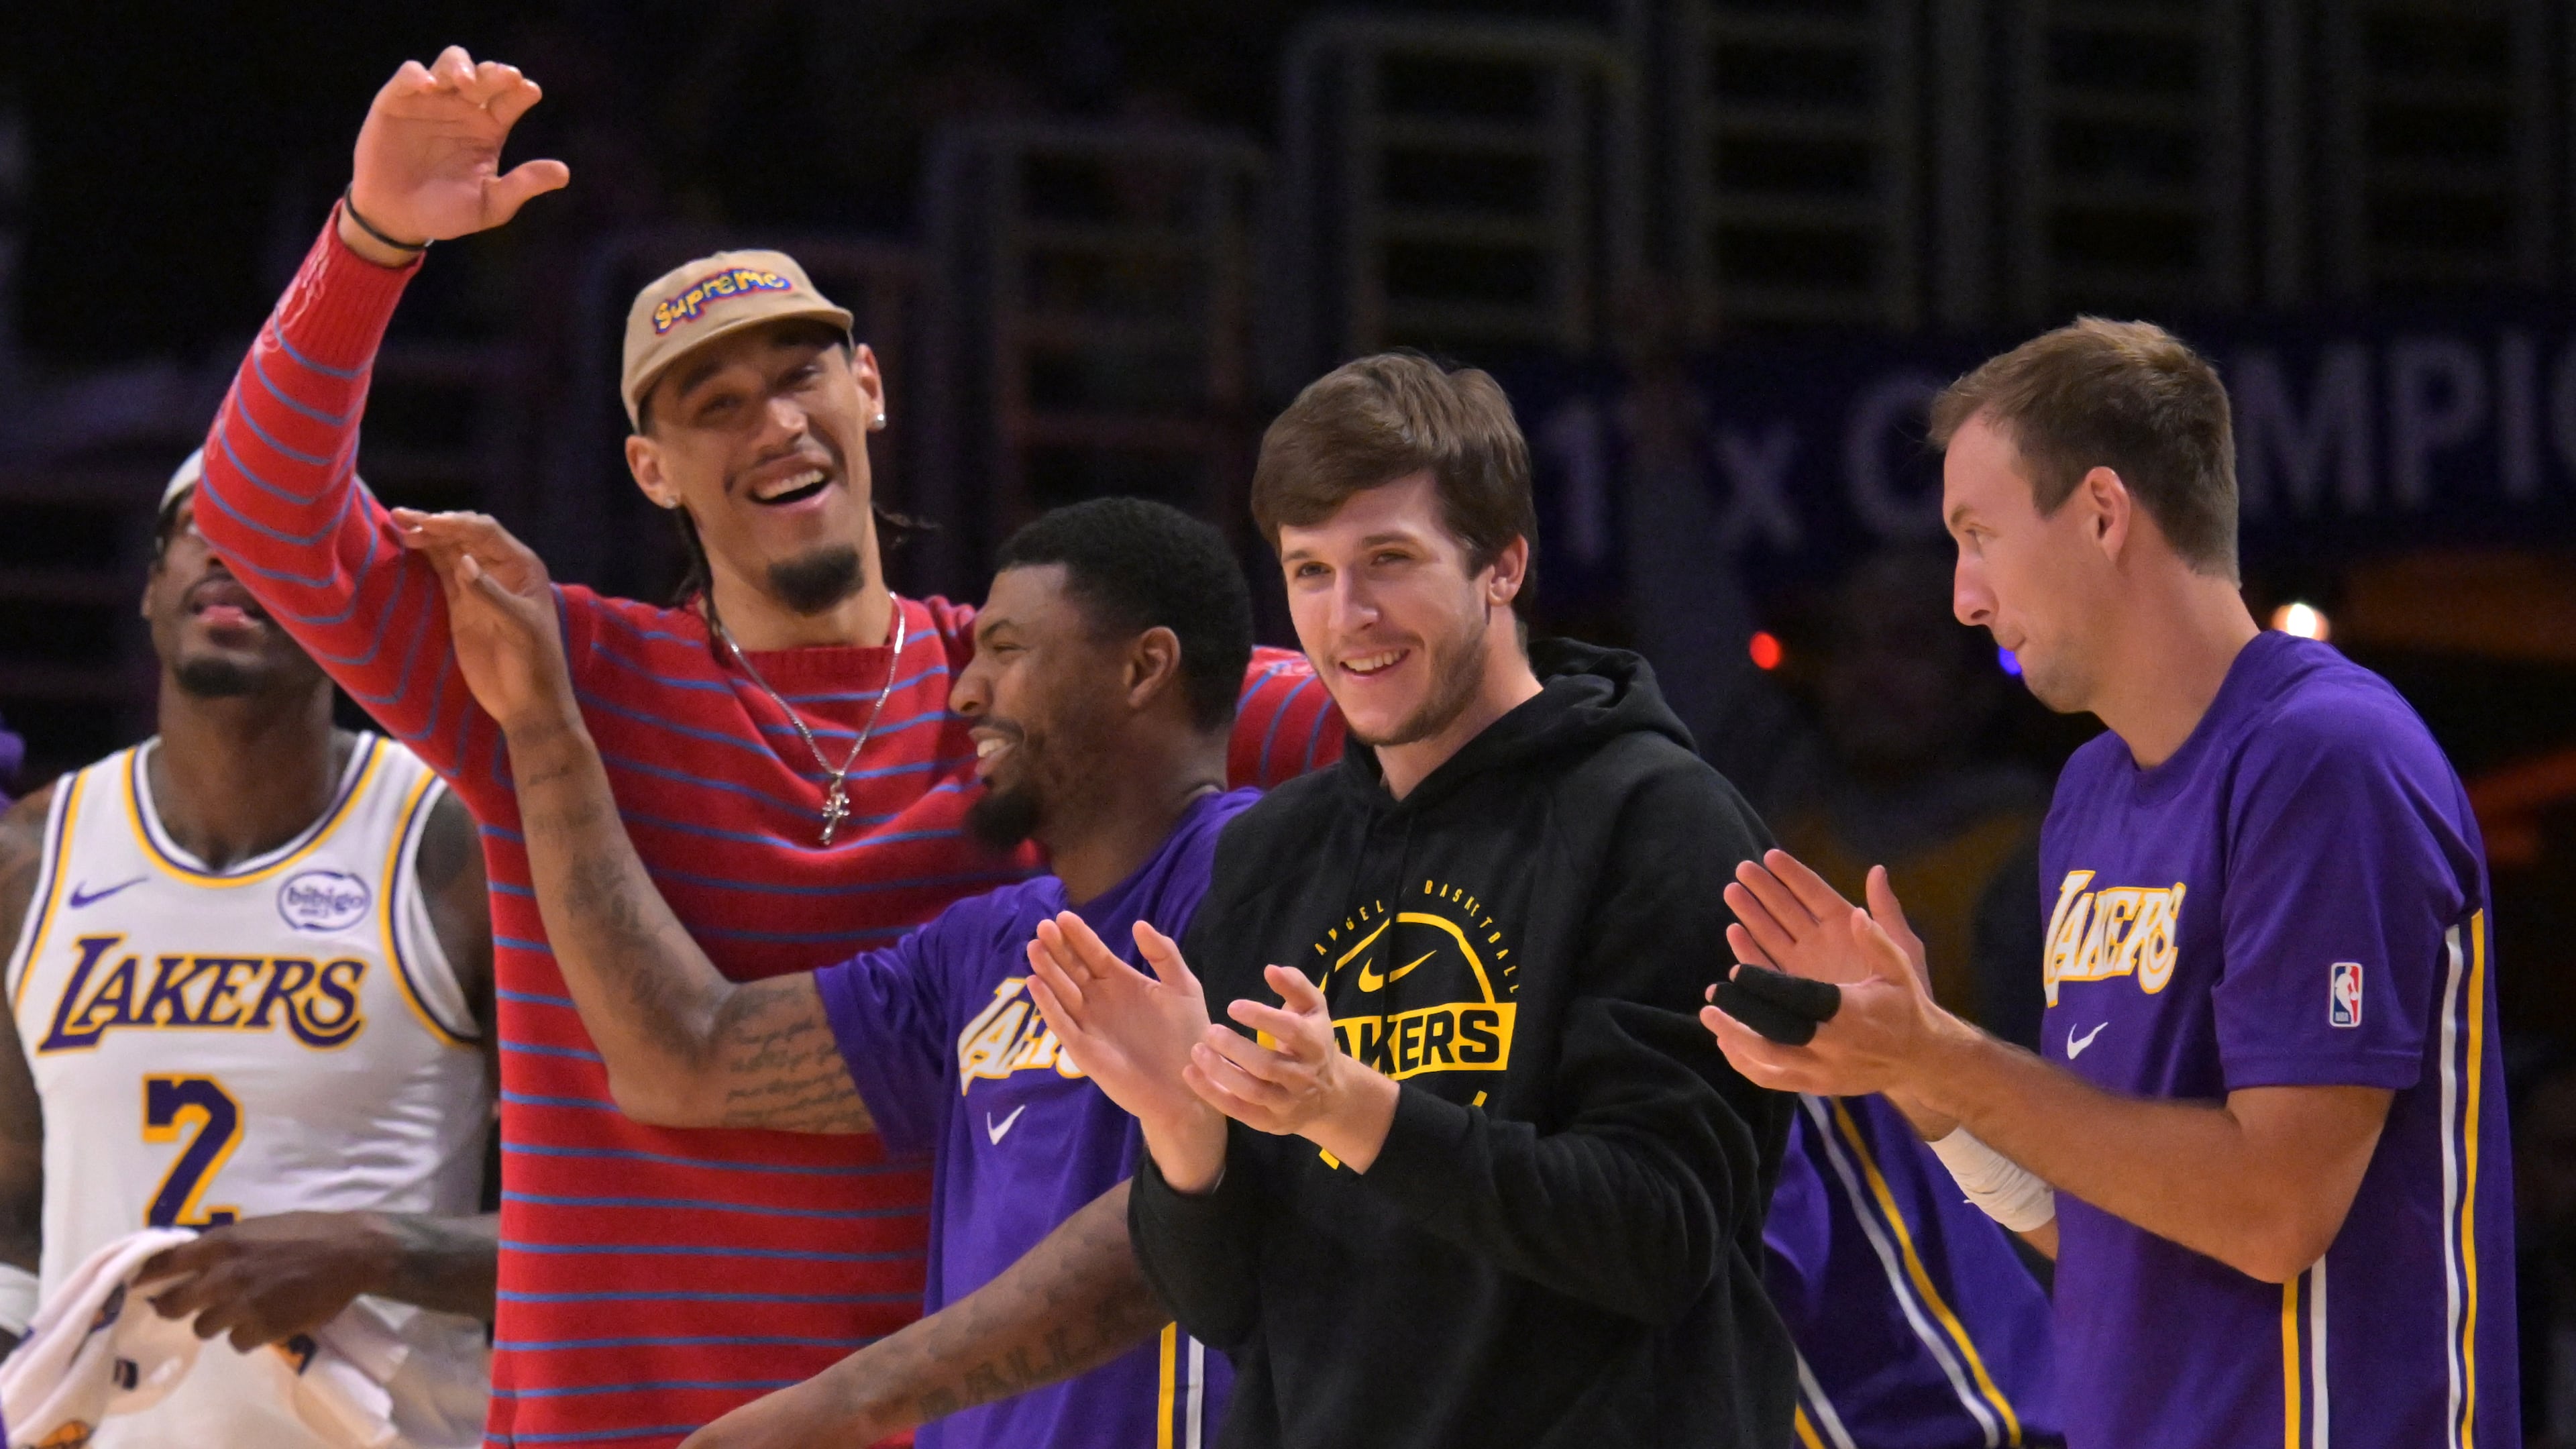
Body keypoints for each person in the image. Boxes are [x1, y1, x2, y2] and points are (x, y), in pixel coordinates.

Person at [189, 46, 1340, 1446]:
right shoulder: (548, 667)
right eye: (713, 405)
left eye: (801, 377)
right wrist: (373, 242)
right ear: (650, 469)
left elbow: (1396, 701)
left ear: (872, 389)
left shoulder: (1039, 698)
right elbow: (258, 513)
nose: (775, 423)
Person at [1702, 318, 2518, 1446]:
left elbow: (2275, 1211)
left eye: (1978, 536)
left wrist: (1941, 1055)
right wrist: (1917, 1078)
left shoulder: (2328, 759)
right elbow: (2097, 1228)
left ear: (2100, 513)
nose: (1965, 598)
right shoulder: (2087, 794)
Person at [1024, 353, 1792, 1446]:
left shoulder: (1661, 822)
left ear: (1503, 565)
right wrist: (1182, 1125)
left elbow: (1659, 1238)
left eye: (1389, 560)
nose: (1349, 617)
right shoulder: (1272, 853)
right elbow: (1225, 1308)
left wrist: (1348, 1107)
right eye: (1311, 571)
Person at [406, 496, 1254, 1448]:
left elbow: (1169, 1234)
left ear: (1143, 668)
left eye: (1008, 650)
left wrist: (841, 1405)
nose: (965, 693)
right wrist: (541, 721)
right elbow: (683, 1057)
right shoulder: (982, 948)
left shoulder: (1262, 880)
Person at [0, 453, 498, 1446]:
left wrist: (380, 1250)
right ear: (152, 587)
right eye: (201, 526)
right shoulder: (32, 858)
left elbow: (616, 1224)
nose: (230, 551)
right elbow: (12, 1222)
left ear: (353, 606)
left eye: (282, 531)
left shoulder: (458, 849)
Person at [1765, 547, 2051, 1051]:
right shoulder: (1783, 834)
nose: (1871, 674)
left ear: (1977, 687)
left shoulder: (2032, 855)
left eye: (1909, 646)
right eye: (1849, 646)